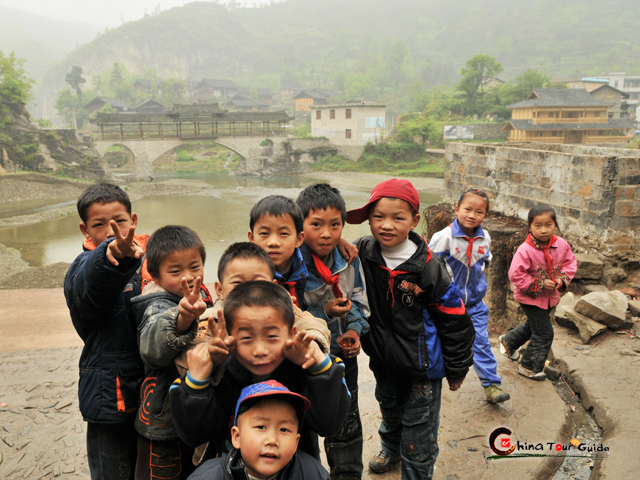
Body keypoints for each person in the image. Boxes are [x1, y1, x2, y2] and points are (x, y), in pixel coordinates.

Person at [346, 178, 475, 480]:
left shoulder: (429, 267)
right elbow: (330, 257)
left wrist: (457, 369)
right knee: (389, 410)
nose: (386, 225)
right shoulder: (363, 251)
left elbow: (455, 321)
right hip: (383, 360)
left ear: (414, 220)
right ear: (368, 219)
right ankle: (390, 449)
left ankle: (416, 472)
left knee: (419, 434)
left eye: (397, 218)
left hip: (422, 369)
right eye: (378, 217)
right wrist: (340, 241)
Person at [170, 280, 350, 463]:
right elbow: (193, 435)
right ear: (229, 336)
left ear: (291, 333)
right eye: (247, 338)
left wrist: (318, 365)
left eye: (271, 336)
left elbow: (329, 425)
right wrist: (197, 383)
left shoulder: (303, 370)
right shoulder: (220, 374)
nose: (260, 350)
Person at [64, 183, 147, 479]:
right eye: (100, 225)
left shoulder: (150, 262)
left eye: (120, 221)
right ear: (85, 230)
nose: (112, 231)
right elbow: (92, 288)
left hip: (150, 393)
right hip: (110, 399)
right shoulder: (81, 268)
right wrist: (113, 255)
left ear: (133, 220)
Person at [296, 183, 370, 480]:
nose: (326, 234)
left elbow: (359, 302)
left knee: (346, 420)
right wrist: (324, 313)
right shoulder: (291, 264)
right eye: (316, 225)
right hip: (304, 359)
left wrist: (354, 331)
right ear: (300, 226)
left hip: (342, 357)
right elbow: (290, 315)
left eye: (335, 225)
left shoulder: (349, 259)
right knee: (304, 421)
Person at [131, 225, 213, 479]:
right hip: (163, 425)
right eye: (175, 271)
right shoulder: (154, 305)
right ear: (155, 276)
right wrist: (182, 318)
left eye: (195, 267)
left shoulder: (205, 298)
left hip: (195, 416)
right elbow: (151, 348)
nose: (187, 277)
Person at [429, 188, 510, 404]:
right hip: (446, 304)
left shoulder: (485, 239)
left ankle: (491, 384)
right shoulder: (443, 237)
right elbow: (429, 268)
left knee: (480, 341)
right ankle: (433, 380)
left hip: (474, 304)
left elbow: (485, 265)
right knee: (438, 341)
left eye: (479, 212)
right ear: (457, 209)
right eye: (467, 209)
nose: (472, 215)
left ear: (485, 215)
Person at [187, 380, 331, 480]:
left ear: (295, 442)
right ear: (237, 437)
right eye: (261, 427)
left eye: (284, 429)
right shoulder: (208, 476)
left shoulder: (313, 474)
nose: (273, 440)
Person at [500, 205, 577, 380]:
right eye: (538, 225)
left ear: (555, 225)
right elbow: (515, 275)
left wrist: (560, 280)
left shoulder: (561, 245)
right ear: (529, 227)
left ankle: (509, 342)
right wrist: (540, 284)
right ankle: (528, 366)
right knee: (544, 332)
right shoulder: (525, 250)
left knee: (534, 326)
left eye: (548, 225)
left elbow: (569, 263)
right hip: (529, 298)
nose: (543, 230)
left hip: (550, 298)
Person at [248, 194, 358, 309]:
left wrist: (338, 240)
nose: (273, 242)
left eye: (284, 233)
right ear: (252, 238)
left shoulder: (303, 258)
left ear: (299, 239)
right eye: (264, 233)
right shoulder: (246, 273)